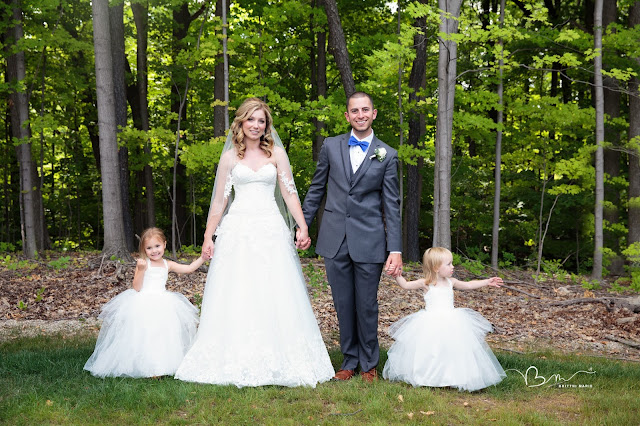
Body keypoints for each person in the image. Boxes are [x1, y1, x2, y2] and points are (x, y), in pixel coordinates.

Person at [174, 97, 334, 387]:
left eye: (261, 121)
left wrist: (302, 225)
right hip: (237, 230)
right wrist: (209, 236)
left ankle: (281, 356)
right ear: (241, 122)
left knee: (275, 290)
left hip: (271, 228)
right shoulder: (229, 158)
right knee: (238, 290)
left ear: (266, 125)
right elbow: (219, 200)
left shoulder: (276, 154)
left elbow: (289, 193)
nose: (256, 125)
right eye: (251, 120)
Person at [300, 91, 402, 382]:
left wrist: (395, 248)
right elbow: (316, 189)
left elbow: (391, 205)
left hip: (370, 240)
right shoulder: (331, 146)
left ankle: (369, 364)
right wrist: (303, 226)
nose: (360, 115)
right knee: (343, 302)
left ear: (374, 113)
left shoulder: (387, 154)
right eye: (354, 111)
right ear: (347, 116)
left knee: (367, 304)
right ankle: (349, 361)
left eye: (365, 110)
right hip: (335, 239)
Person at [84, 227, 204, 378]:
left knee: (162, 333)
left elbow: (188, 268)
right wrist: (140, 270)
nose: (154, 251)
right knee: (144, 334)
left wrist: (203, 258)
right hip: (143, 302)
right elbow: (137, 287)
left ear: (164, 245)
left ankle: (162, 365)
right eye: (149, 248)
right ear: (144, 250)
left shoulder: (168, 264)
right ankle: (144, 366)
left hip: (163, 303)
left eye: (157, 246)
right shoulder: (143, 264)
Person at [382, 247, 506, 391]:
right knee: (431, 350)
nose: (452, 267)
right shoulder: (426, 283)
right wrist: (397, 275)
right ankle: (429, 377)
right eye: (448, 264)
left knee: (452, 350)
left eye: (451, 263)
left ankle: (451, 377)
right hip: (430, 323)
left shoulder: (451, 282)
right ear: (436, 268)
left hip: (452, 322)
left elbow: (469, 285)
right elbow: (405, 285)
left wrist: (487, 281)